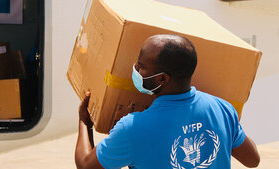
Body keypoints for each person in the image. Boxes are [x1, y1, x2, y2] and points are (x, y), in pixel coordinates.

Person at [75, 34, 260, 169]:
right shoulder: (223, 108)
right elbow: (253, 160)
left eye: (141, 65)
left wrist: (85, 121)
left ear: (162, 79)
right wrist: (227, 127)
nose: (135, 67)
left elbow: (85, 165)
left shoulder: (132, 128)